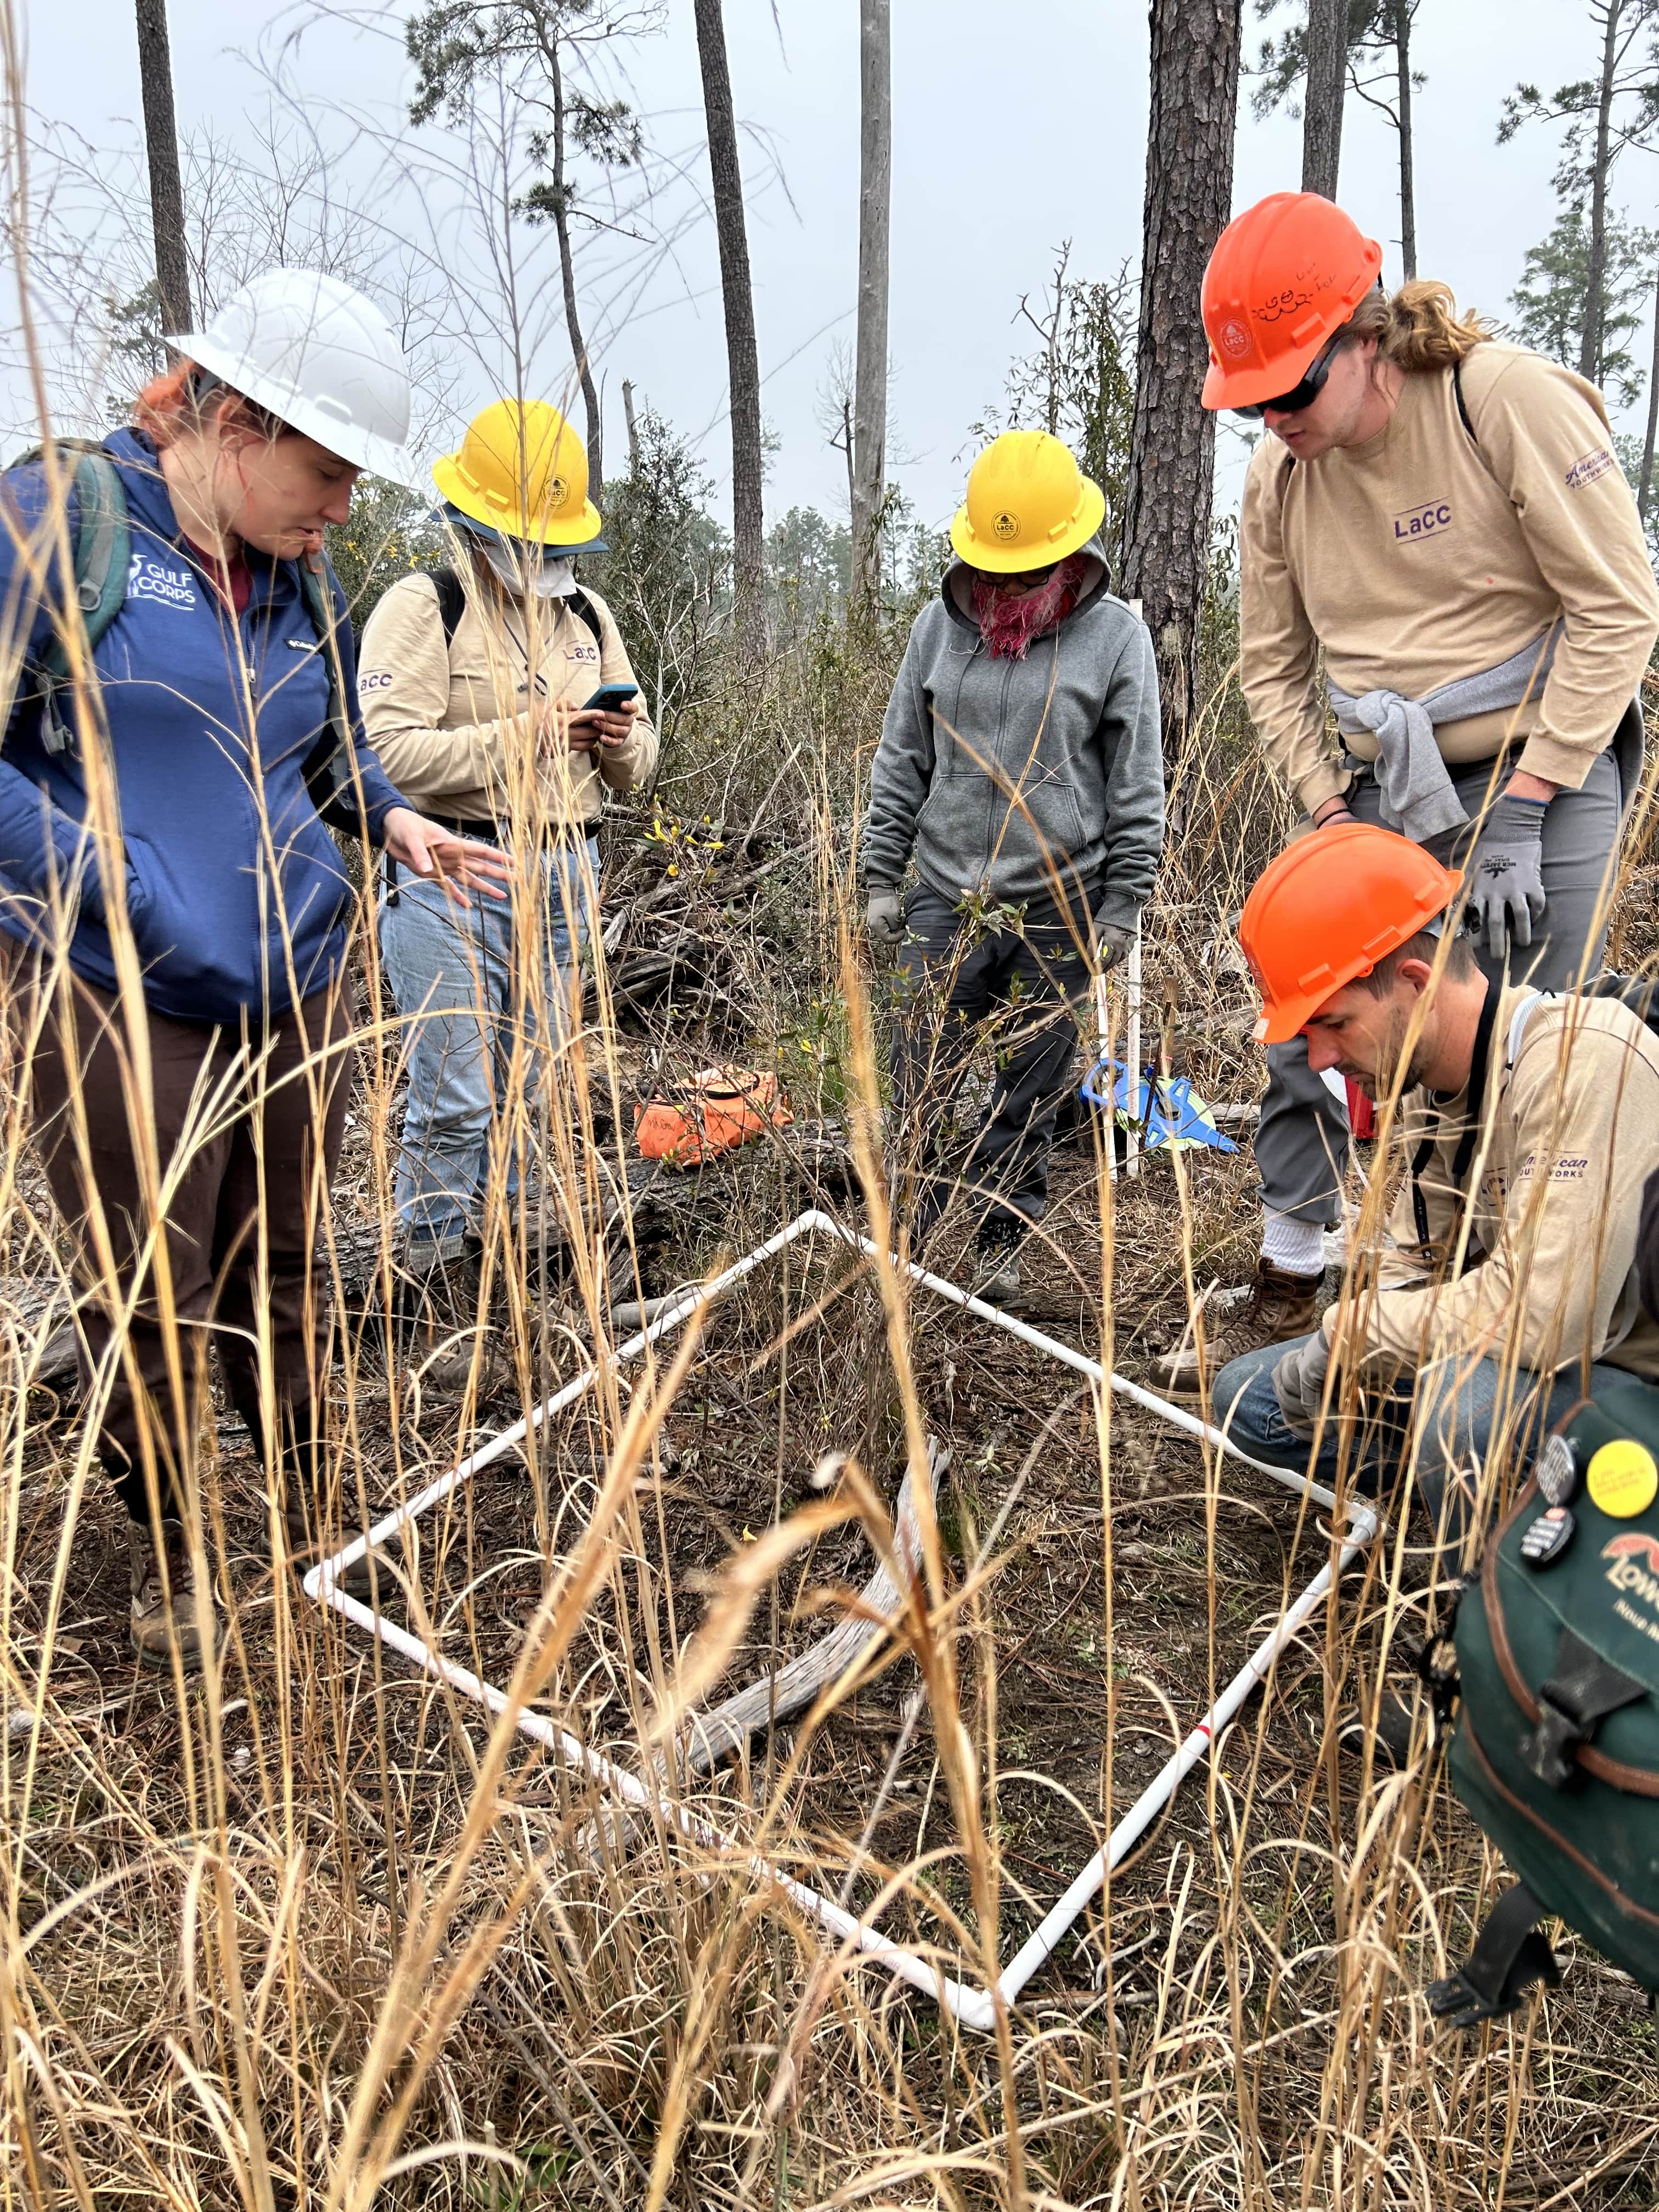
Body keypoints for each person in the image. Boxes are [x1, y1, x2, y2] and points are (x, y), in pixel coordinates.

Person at [0, 269, 509, 1668]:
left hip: (291, 980)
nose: (344, 506)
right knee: (150, 1291)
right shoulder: (60, 519)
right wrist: (115, 884)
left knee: (282, 1269)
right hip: (114, 991)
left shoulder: (300, 574)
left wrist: (386, 818)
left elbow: (325, 741)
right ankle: (180, 1565)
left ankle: (311, 1526)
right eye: (327, 470)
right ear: (230, 422)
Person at [1163, 190, 1659, 1395]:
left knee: (1516, 1026)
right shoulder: (1279, 486)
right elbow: (1270, 670)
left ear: (1367, 341)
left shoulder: (1503, 403)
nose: (1276, 420)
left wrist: (1533, 801)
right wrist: (1332, 815)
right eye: (1256, 401)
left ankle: (1521, 1342)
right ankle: (1304, 1271)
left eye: (1294, 389)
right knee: (1318, 1010)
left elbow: (1618, 609)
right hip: (1384, 784)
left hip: (1547, 755)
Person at [1214, 823, 1659, 1559]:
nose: (1319, 1056)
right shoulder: (1425, 1083)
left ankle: (1487, 1608)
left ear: (1415, 986)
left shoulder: (1586, 1061)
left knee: (1463, 1411)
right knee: (1249, 1401)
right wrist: (1356, 1350)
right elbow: (1410, 1262)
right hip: (1503, 1370)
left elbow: (1543, 1322)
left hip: (1617, 1383)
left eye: (1334, 1024)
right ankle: (1472, 1491)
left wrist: (1356, 1337)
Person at [356, 399, 655, 1378]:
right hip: (454, 869)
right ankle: (439, 1297)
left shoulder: (589, 616)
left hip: (568, 867)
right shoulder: (423, 605)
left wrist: (614, 742)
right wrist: (523, 736)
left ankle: (519, 1274)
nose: (541, 554)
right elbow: (385, 753)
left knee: (537, 1086)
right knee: (456, 1093)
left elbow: (641, 764)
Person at [863, 429, 1164, 1308]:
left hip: (1060, 903)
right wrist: (884, 877)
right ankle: (906, 1237)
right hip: (943, 898)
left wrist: (1123, 906)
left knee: (1031, 1084)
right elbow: (901, 756)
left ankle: (1002, 1235)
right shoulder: (937, 628)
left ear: (1072, 553)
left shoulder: (1115, 642)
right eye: (997, 571)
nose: (1008, 590)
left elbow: (1137, 780)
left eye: (1029, 572)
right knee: (918, 1068)